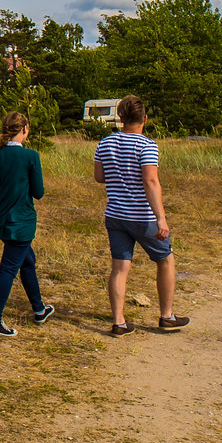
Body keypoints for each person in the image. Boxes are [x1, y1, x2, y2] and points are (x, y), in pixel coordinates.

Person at [92, 94, 188, 336]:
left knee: (119, 268)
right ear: (144, 118)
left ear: (120, 118)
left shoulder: (104, 143)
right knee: (165, 259)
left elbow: (99, 177)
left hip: (115, 214)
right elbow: (151, 180)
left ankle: (119, 322)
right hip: (141, 216)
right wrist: (161, 217)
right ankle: (166, 316)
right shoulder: (147, 145)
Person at [0, 111, 53, 338]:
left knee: (27, 261)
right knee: (8, 268)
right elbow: (39, 192)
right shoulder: (30, 156)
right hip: (21, 222)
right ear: (23, 129)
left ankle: (39, 309)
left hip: (2, 221)